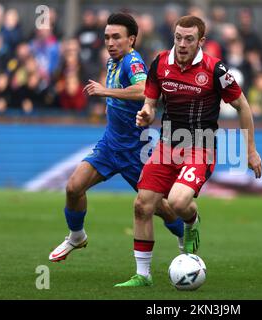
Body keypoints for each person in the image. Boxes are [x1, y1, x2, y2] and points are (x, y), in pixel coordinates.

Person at [115, 15, 262, 287]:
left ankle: (192, 220)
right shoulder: (160, 62)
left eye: (189, 39)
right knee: (142, 205)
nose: (182, 44)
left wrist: (250, 151)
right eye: (178, 38)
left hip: (201, 146)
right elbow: (150, 101)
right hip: (167, 144)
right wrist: (146, 114)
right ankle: (142, 275)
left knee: (178, 202)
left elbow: (243, 106)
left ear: (201, 41)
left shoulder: (216, 70)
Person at [49, 12, 184, 262]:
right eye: (107, 37)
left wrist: (105, 92)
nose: (110, 43)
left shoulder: (132, 61)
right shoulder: (113, 61)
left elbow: (145, 89)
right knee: (73, 187)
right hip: (111, 145)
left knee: (161, 209)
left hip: (135, 152)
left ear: (131, 40)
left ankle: (183, 236)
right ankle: (76, 236)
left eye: (116, 37)